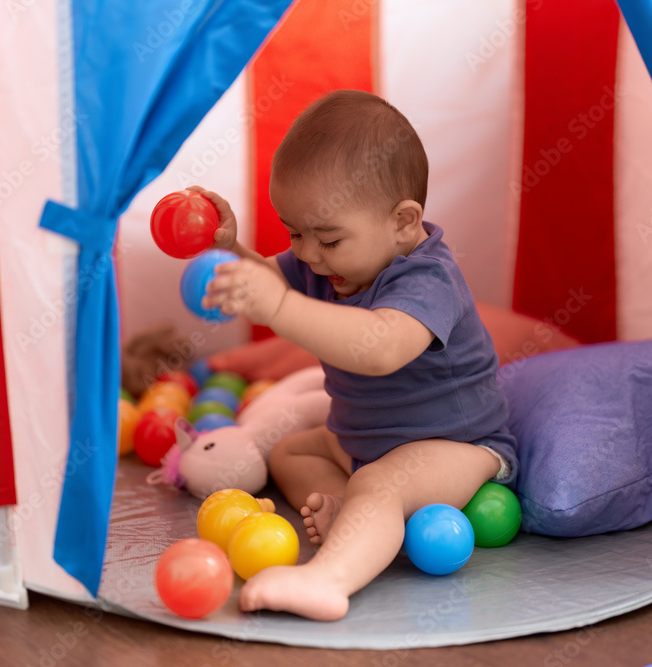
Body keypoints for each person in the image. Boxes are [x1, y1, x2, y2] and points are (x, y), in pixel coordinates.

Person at [191, 89, 518, 622]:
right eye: (295, 233)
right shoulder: (327, 265)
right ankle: (353, 515)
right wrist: (233, 251)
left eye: (328, 239)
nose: (308, 254)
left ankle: (330, 579)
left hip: (456, 448)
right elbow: (275, 280)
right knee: (292, 452)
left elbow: (380, 348)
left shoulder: (429, 277)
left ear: (404, 222)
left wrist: (276, 306)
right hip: (362, 441)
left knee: (379, 484)